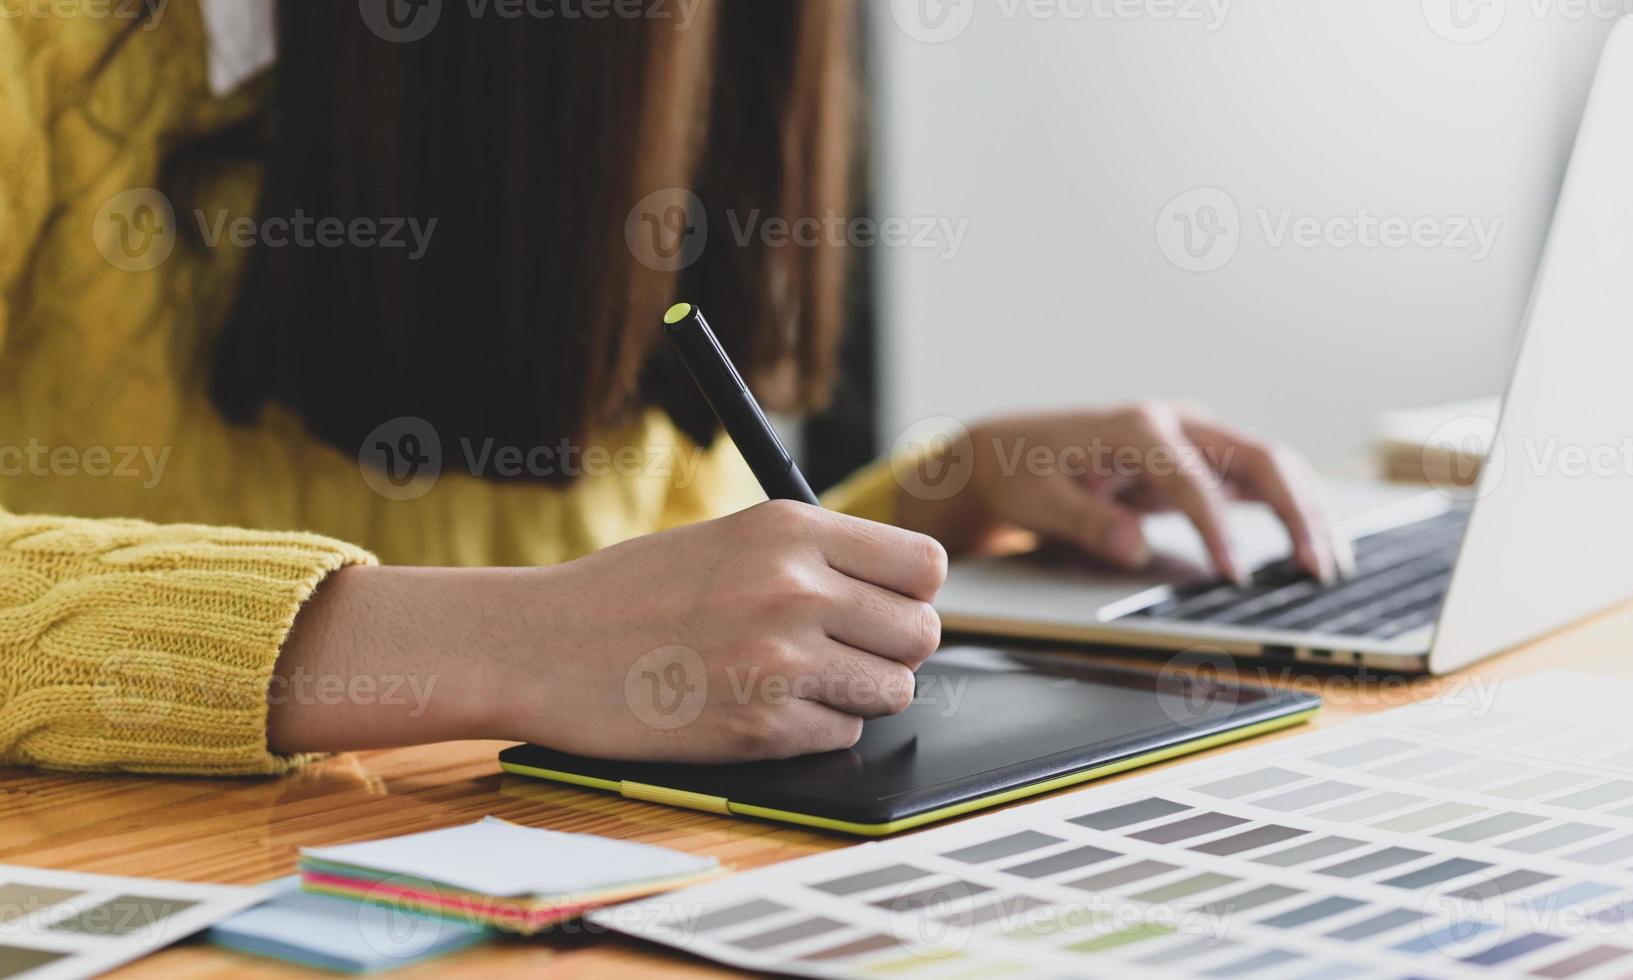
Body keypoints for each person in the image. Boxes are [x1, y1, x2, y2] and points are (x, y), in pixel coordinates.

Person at [0, 0, 1338, 776]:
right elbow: (575, 631)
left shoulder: (666, 56)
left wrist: (945, 494)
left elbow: (639, 600)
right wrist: (506, 646)